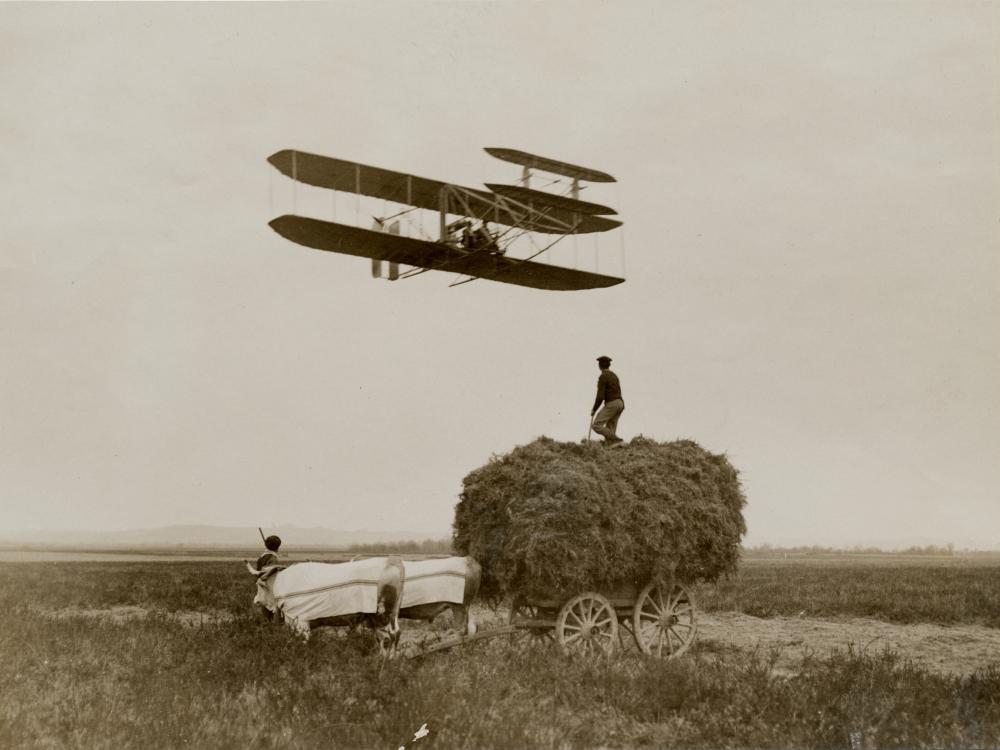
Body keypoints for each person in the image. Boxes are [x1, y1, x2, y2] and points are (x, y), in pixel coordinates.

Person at [591, 356, 624, 445]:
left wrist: (594, 409)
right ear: (609, 365)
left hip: (612, 403)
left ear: (599, 366)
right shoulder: (614, 375)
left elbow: (600, 397)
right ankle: (612, 446)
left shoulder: (603, 376)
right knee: (610, 428)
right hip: (620, 403)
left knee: (596, 425)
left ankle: (617, 440)